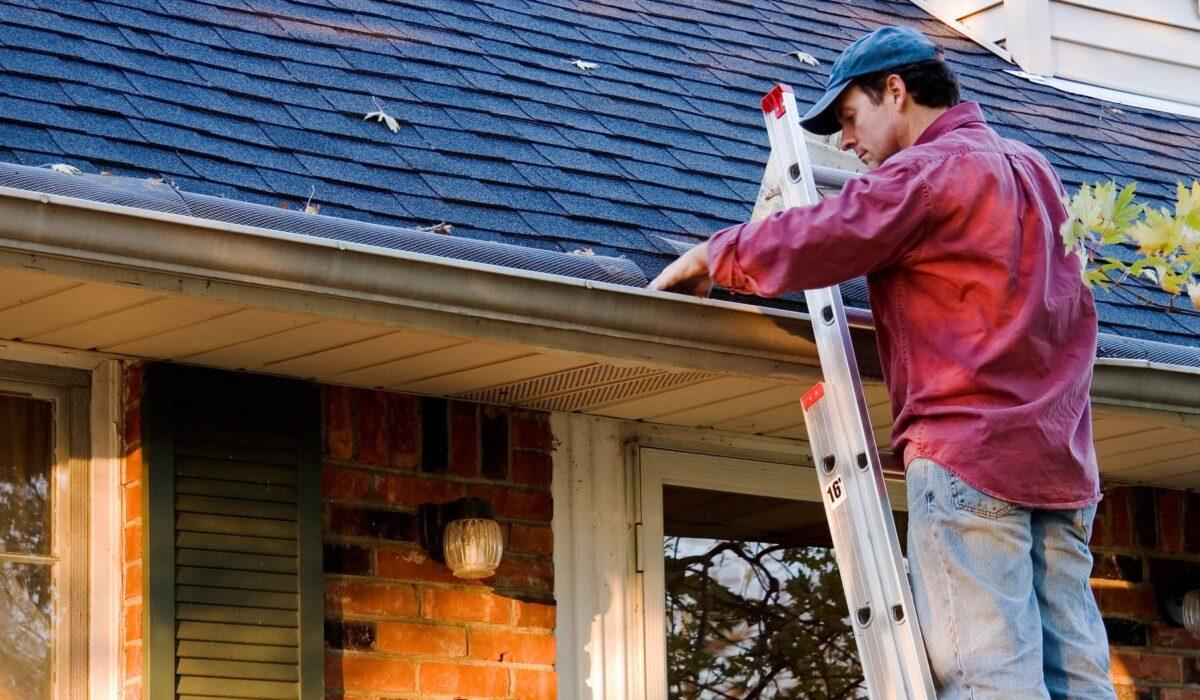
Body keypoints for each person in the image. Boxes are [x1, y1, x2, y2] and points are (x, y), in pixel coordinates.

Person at [648, 25, 1116, 700]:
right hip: (1062, 467)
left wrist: (710, 256)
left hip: (969, 461)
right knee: (1080, 681)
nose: (843, 142)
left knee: (992, 685)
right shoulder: (1036, 172)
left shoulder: (928, 172)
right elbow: (1075, 311)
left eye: (848, 116)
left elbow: (827, 234)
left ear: (895, 91)